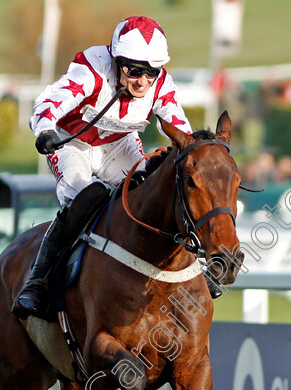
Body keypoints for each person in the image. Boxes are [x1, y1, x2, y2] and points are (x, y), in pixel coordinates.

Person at [12, 15, 198, 319]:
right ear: (116, 60)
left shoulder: (160, 84)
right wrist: (44, 130)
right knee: (84, 197)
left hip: (118, 145)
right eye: (134, 70)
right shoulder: (92, 69)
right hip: (71, 144)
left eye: (150, 72)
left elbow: (181, 131)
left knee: (146, 190)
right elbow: (49, 101)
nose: (142, 81)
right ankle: (38, 281)